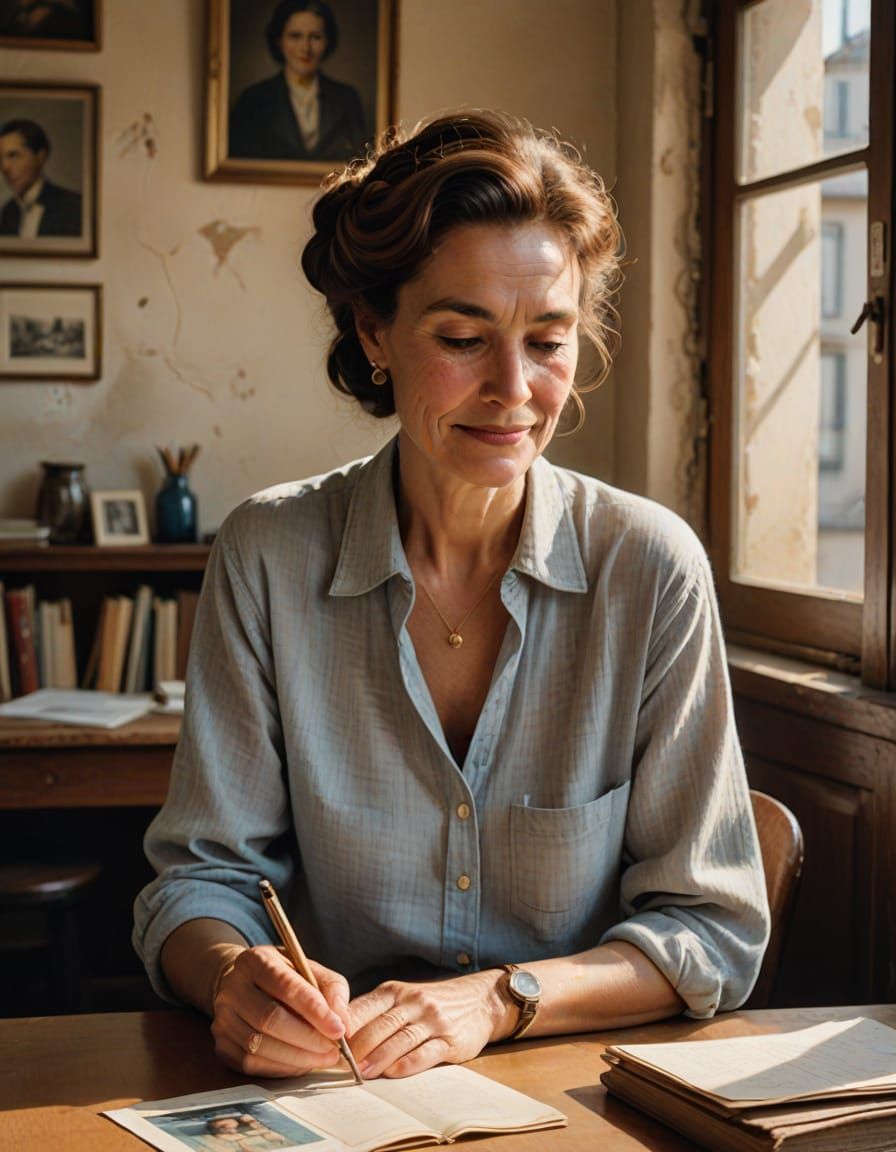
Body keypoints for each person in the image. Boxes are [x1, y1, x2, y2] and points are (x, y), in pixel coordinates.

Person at [134, 108, 770, 1082]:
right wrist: (232, 980)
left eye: (547, 342)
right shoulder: (268, 554)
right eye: (464, 337)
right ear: (373, 331)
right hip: (333, 1091)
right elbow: (200, 879)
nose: (513, 390)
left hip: (578, 1093)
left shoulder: (647, 569)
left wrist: (499, 1000)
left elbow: (711, 927)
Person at [228, 0, 366, 163]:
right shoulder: (253, 100)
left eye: (315, 37)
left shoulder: (347, 99)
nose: (305, 48)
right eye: (295, 36)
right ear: (279, 40)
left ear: (327, 41)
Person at [0, 118, 82, 237]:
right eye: (0, 158)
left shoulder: (74, 208)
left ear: (40, 157)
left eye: (13, 155)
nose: (4, 167)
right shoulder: (8, 213)